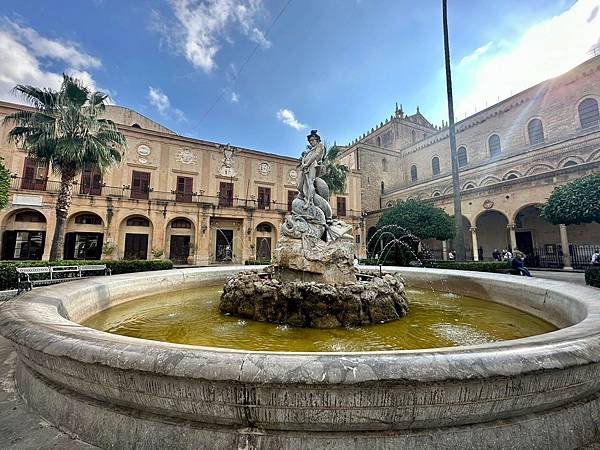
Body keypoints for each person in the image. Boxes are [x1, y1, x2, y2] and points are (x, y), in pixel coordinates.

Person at [296, 130, 325, 210]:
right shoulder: (310, 150)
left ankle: (310, 202)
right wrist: (303, 164)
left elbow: (316, 155)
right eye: (309, 141)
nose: (310, 142)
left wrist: (307, 164)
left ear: (317, 140)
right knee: (299, 186)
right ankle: (304, 197)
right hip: (305, 167)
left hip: (312, 165)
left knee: (310, 183)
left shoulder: (320, 145)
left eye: (312, 140)